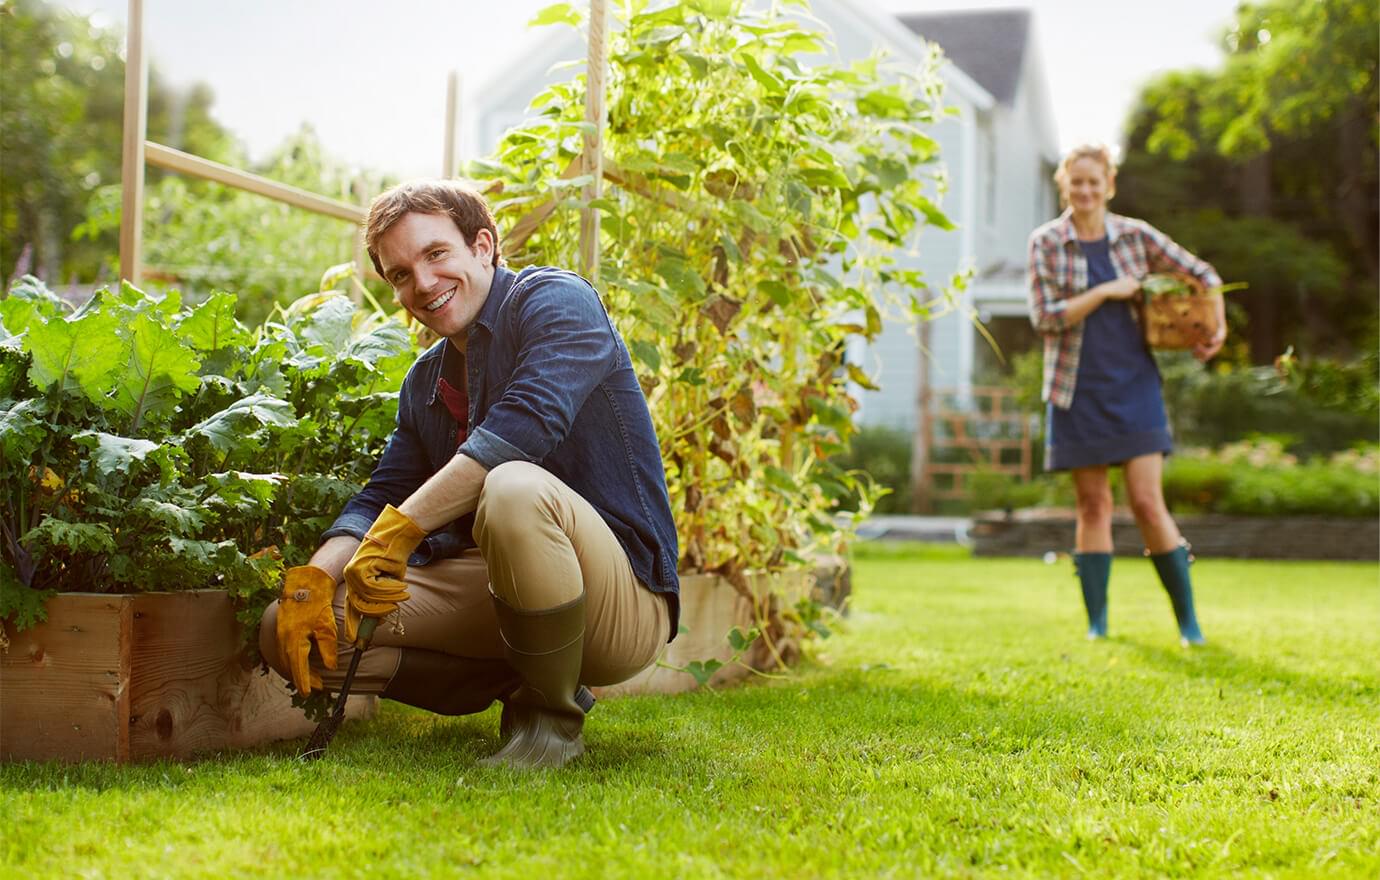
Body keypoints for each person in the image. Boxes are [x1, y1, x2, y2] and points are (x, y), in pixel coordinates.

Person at [260, 179, 680, 768]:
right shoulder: (425, 383)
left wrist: (400, 532)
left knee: (512, 486)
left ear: (482, 246)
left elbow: (524, 428)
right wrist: (314, 578)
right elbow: (382, 493)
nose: (423, 283)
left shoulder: (556, 301)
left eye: (436, 254)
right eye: (401, 274)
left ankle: (548, 723)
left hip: (619, 601)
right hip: (500, 591)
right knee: (287, 627)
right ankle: (513, 681)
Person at [1027, 144, 1224, 646]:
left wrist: (1213, 328)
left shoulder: (1135, 236)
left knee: (1146, 502)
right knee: (1092, 505)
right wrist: (1106, 292)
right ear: (1064, 186)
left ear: (1109, 185)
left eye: (1095, 182)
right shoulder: (1046, 243)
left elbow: (1204, 275)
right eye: (1077, 183)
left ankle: (1188, 623)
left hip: (1134, 386)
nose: (1086, 191)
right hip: (1075, 390)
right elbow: (1045, 317)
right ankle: (1097, 623)